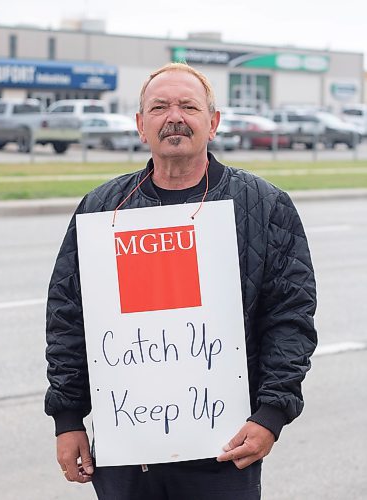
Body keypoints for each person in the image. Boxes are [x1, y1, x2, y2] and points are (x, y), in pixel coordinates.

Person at [45, 62, 317, 499]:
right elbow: (67, 318)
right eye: (159, 107)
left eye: (188, 106)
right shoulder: (101, 209)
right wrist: (68, 418)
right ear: (140, 125)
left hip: (225, 446)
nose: (174, 117)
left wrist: (271, 415)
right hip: (126, 450)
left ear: (213, 123)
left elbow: (290, 319)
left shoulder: (265, 206)